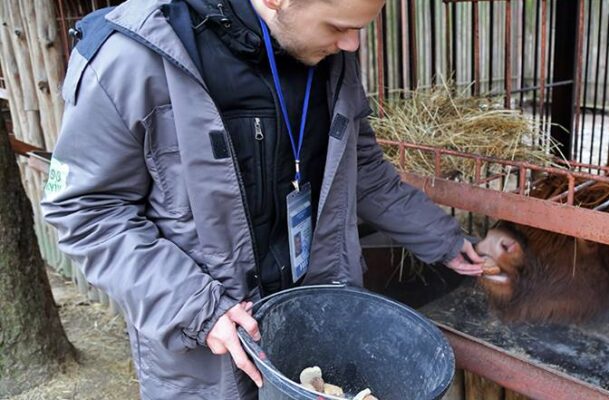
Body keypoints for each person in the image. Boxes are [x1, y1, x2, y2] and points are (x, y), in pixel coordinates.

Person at [41, 0, 485, 398]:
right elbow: (85, 211)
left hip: (317, 321)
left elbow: (362, 167)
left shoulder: (326, 54)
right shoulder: (132, 56)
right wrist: (198, 309)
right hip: (209, 350)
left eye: (359, 29)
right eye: (338, 26)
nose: (351, 45)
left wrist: (443, 238)